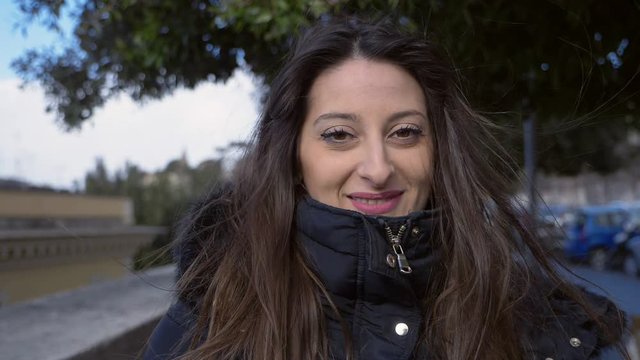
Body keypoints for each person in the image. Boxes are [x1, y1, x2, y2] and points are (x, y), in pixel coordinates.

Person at [143, 17, 627, 360]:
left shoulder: (554, 328)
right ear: (293, 158)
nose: (378, 167)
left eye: (405, 132)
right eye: (338, 135)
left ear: (440, 151)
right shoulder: (216, 311)